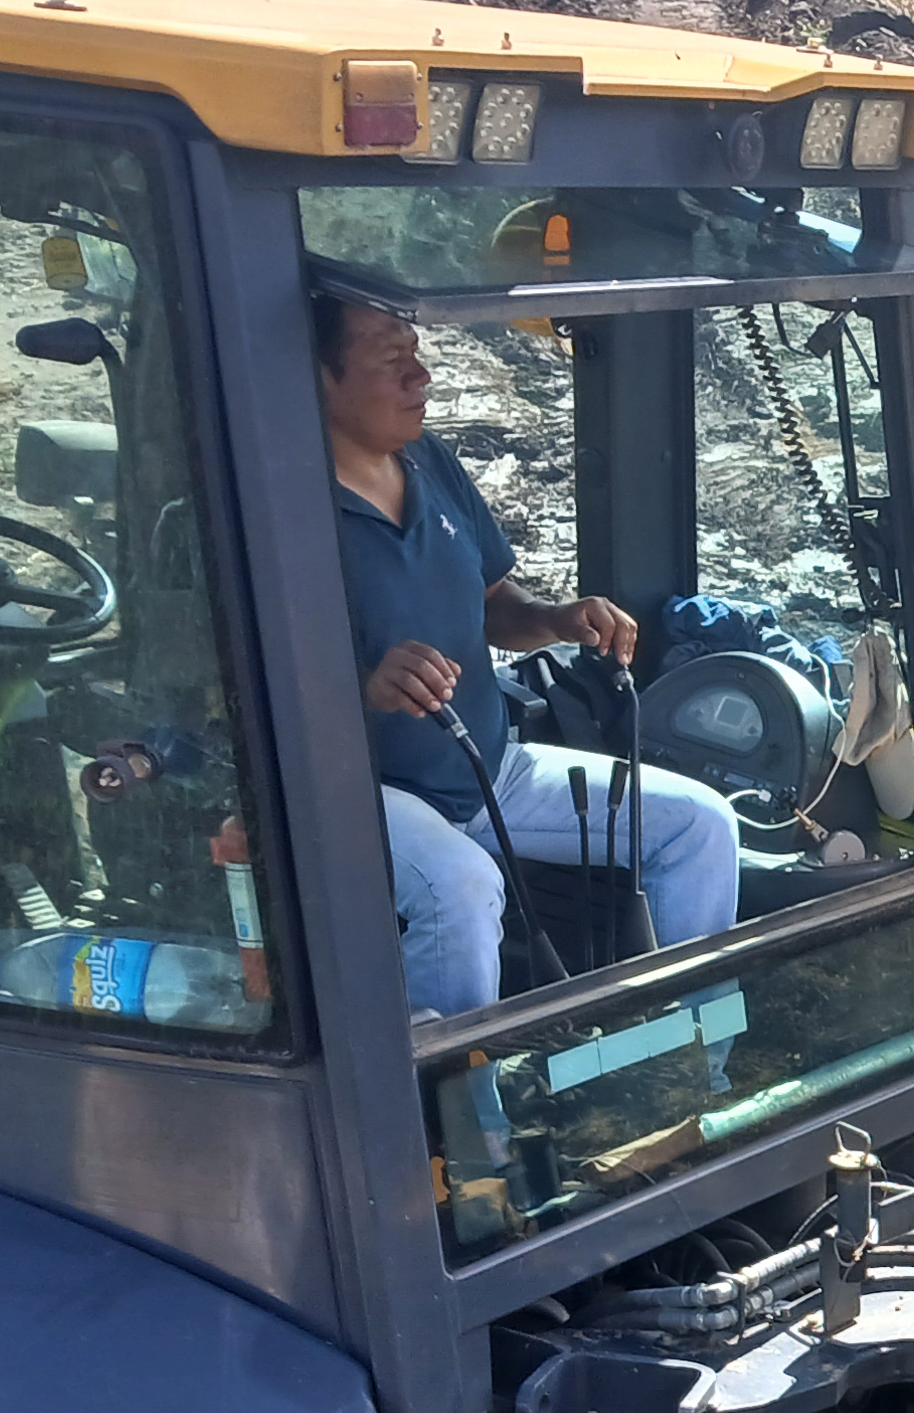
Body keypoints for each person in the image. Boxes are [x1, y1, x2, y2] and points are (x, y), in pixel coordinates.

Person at [317, 296, 740, 1017]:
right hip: (363, 790)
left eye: (416, 352)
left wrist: (555, 619)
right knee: (461, 888)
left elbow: (494, 604)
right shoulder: (286, 507)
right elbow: (237, 684)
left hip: (489, 767)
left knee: (701, 823)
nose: (421, 375)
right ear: (319, 377)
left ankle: (699, 1061)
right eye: (392, 360)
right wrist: (365, 686)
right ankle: (459, 1090)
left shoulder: (431, 462)